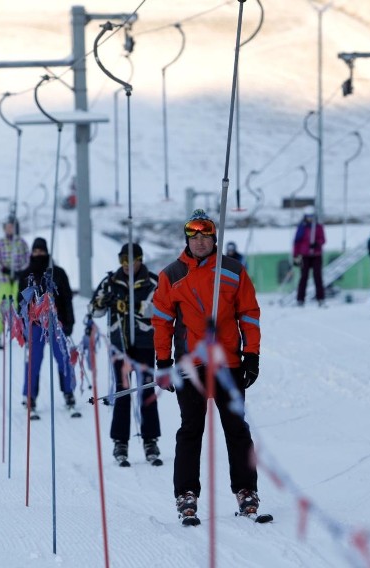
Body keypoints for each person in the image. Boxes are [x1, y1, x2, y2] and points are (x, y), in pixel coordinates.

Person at [151, 209, 263, 522]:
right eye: (194, 236)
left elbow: (249, 314)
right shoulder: (171, 275)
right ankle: (186, 493)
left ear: (215, 237)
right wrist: (162, 361)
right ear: (187, 239)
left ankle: (246, 490)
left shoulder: (232, 271)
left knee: (237, 429)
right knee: (190, 429)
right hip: (190, 367)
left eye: (206, 235)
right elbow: (162, 322)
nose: (200, 242)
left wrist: (251, 354)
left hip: (228, 364)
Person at [89, 242, 162, 466]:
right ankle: (120, 442)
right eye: (124, 261)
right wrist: (104, 302)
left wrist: (133, 306)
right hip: (119, 343)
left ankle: (150, 440)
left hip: (144, 342)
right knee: (122, 391)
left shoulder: (152, 282)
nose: (128, 265)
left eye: (133, 261)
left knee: (146, 388)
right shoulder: (111, 281)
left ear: (140, 260)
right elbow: (94, 310)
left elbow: (162, 309)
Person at [18, 237, 77, 413]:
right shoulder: (26, 275)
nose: (39, 254)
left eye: (41, 251)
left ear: (46, 252)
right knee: (33, 361)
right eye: (36, 251)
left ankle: (68, 392)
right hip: (35, 324)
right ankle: (30, 396)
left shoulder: (57, 273)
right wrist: (22, 326)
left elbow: (67, 298)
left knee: (63, 359)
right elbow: (20, 302)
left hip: (56, 323)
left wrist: (69, 322)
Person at [0, 216, 29, 349]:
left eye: (12, 226)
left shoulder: (21, 243)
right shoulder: (0, 243)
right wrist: (3, 268)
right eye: (8, 226)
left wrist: (21, 271)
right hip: (4, 280)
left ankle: (23, 333)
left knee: (19, 306)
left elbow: (27, 259)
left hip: (17, 279)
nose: (10, 229)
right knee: (3, 305)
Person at [292, 206, 326, 307]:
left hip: (316, 255)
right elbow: (296, 243)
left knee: (317, 277)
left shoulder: (318, 227)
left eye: (312, 217)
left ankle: (320, 299)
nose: (310, 219)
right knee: (303, 277)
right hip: (304, 255)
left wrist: (317, 243)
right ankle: (300, 299)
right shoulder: (301, 228)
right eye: (308, 217)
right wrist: (296, 256)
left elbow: (323, 239)